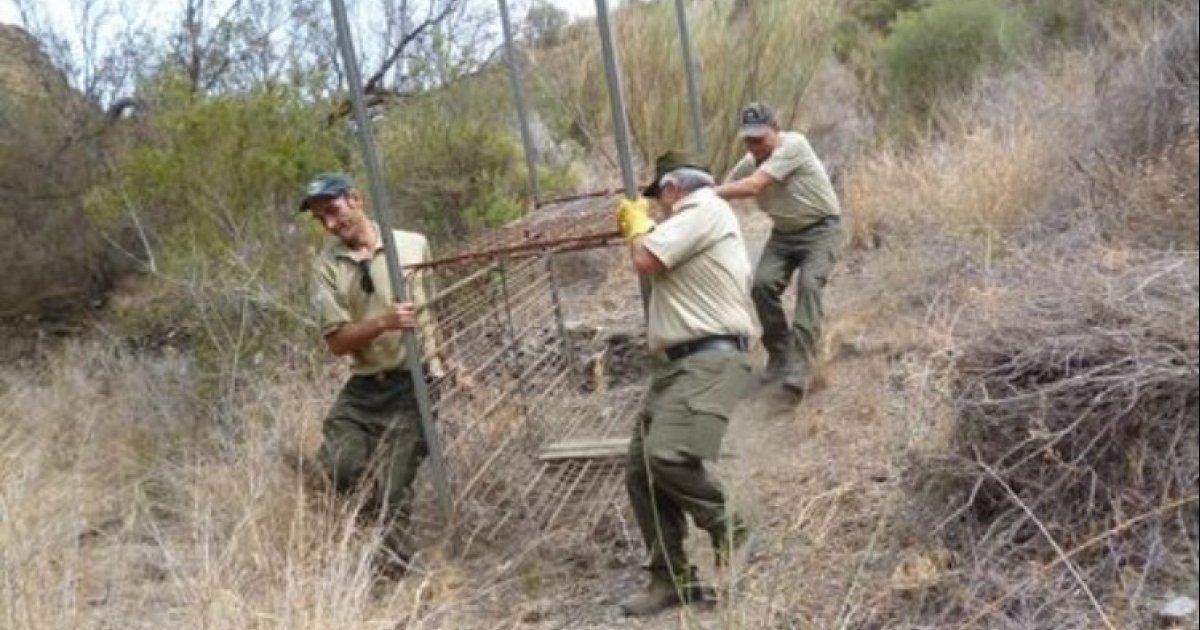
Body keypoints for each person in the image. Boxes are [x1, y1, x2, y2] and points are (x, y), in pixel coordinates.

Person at [614, 151, 759, 616]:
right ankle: (671, 581)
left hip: (708, 359)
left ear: (674, 188)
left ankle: (734, 528)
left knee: (667, 456)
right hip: (680, 364)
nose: (657, 209)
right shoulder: (699, 221)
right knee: (641, 472)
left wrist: (636, 225)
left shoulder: (705, 208)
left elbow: (646, 257)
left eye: (659, 199)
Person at [301, 173, 441, 577]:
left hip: (415, 382)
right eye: (319, 219)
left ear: (356, 200)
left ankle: (396, 576)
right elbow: (337, 342)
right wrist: (382, 323)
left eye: (333, 211)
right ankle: (368, 534)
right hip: (365, 386)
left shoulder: (412, 245)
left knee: (393, 487)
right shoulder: (326, 267)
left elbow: (431, 311)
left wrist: (449, 366)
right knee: (339, 466)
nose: (329, 225)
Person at [715, 103, 843, 396]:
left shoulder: (794, 145)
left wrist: (711, 193)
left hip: (821, 230)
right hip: (784, 235)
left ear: (776, 129)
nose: (754, 145)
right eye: (748, 139)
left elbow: (753, 186)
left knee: (809, 287)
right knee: (761, 286)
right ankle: (780, 352)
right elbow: (727, 188)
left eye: (760, 138)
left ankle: (800, 365)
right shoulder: (750, 160)